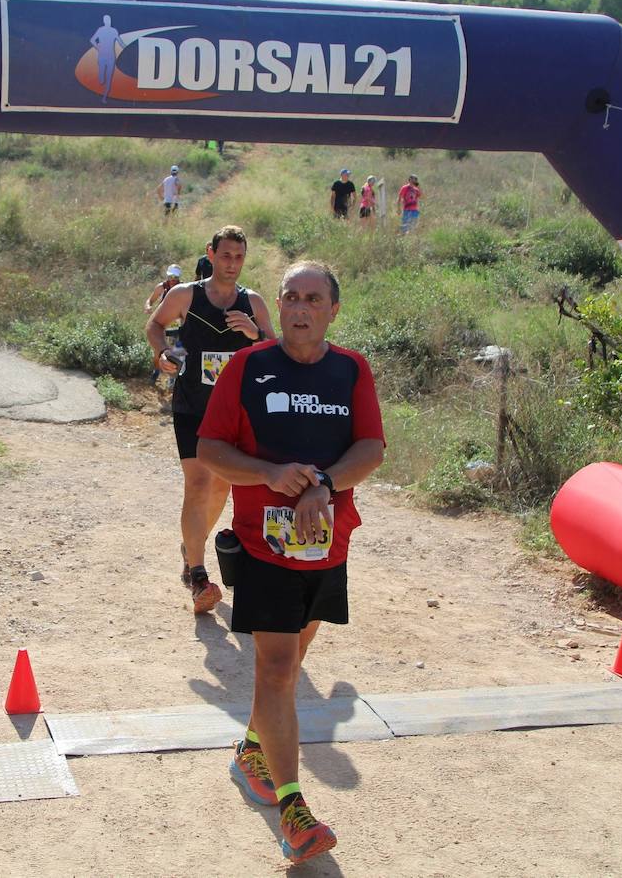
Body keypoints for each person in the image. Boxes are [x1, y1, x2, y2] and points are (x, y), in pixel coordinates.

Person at [197, 262, 385, 865]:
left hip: (328, 542)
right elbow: (210, 449)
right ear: (276, 307)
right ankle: (293, 810)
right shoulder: (248, 368)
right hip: (260, 544)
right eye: (291, 297)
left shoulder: (351, 369)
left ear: (333, 308)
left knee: (295, 655)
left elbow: (371, 447)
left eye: (313, 298)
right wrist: (269, 474)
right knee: (277, 669)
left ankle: (253, 749)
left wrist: (324, 483)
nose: (301, 307)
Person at [146, 225, 276, 613]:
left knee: (222, 488)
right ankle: (198, 575)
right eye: (225, 255)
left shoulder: (254, 302)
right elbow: (155, 324)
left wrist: (254, 333)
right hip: (192, 406)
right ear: (211, 253)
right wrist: (163, 354)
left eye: (238, 257)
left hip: (235, 413)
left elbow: (274, 350)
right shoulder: (187, 294)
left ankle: (192, 544)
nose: (232, 263)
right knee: (199, 482)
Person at [89, 14, 124, 103]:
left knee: (109, 78)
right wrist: (98, 47)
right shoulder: (100, 30)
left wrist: (129, 48)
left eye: (109, 20)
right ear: (105, 21)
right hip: (102, 56)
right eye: (107, 20)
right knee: (101, 80)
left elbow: (120, 42)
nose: (108, 21)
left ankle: (104, 98)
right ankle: (99, 87)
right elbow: (92, 40)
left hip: (111, 57)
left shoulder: (114, 31)